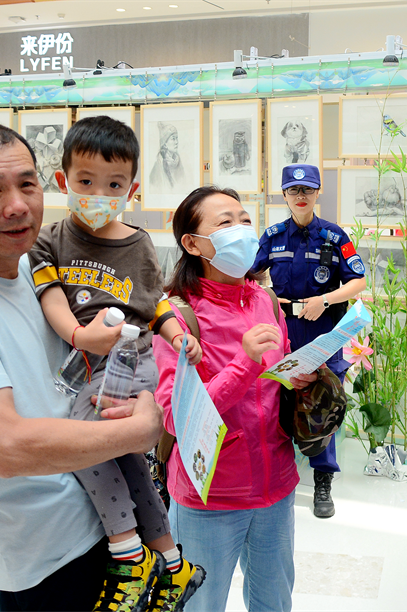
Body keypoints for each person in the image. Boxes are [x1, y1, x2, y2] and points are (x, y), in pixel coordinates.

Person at [0, 122, 164, 611]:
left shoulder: (30, 266)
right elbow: (7, 447)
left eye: (27, 183)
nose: (17, 204)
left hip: (102, 524)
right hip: (43, 561)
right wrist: (138, 432)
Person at [27, 116, 204, 612]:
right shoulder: (49, 241)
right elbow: (52, 299)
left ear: (132, 188)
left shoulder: (138, 243)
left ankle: (127, 553)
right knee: (128, 462)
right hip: (90, 359)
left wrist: (177, 334)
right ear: (63, 181)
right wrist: (82, 336)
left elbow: (155, 305)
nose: (97, 193)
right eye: (85, 182)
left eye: (113, 185)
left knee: (85, 439)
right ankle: (172, 562)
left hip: (132, 360)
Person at [153, 185, 314, 612]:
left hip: (276, 487)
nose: (242, 230)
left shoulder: (266, 301)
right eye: (225, 222)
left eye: (244, 220)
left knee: (274, 602)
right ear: (192, 243)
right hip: (210, 497)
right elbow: (174, 418)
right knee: (199, 605)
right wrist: (243, 364)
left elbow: (275, 381)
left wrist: (301, 378)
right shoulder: (178, 316)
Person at [251, 164, 367, 519]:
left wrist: (327, 299)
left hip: (323, 333)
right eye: (293, 191)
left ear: (318, 193)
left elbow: (358, 282)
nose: (300, 197)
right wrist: (268, 295)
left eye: (307, 190)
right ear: (284, 195)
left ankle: (322, 481)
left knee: (321, 406)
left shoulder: (334, 236)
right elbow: (250, 277)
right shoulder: (272, 236)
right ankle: (277, 474)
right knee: (276, 404)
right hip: (283, 331)